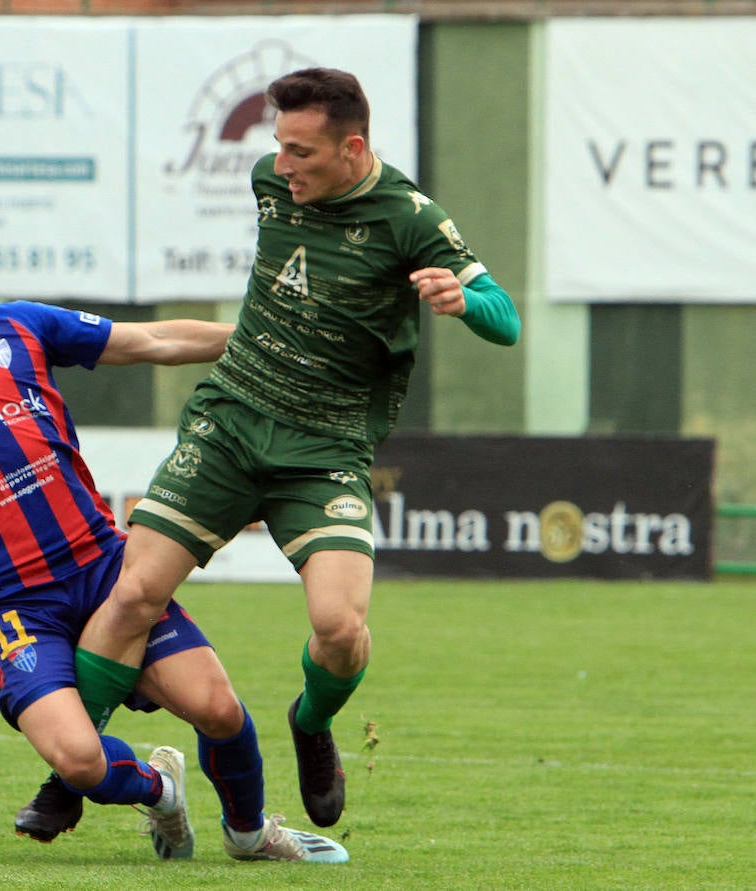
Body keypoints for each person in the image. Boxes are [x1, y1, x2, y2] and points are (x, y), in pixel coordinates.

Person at [67, 67, 523, 830]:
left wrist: (461, 299)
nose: (282, 166)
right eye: (278, 146)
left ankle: (310, 724)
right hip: (232, 418)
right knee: (134, 593)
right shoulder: (270, 181)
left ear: (352, 149)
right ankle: (73, 765)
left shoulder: (412, 218)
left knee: (341, 630)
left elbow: (504, 318)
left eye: (301, 152)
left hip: (326, 446)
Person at [0, 246, 350, 864]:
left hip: (101, 569)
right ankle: (162, 791)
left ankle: (249, 834)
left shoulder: (14, 325)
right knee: (80, 760)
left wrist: (265, 344)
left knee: (219, 710)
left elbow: (155, 340)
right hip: (7, 603)